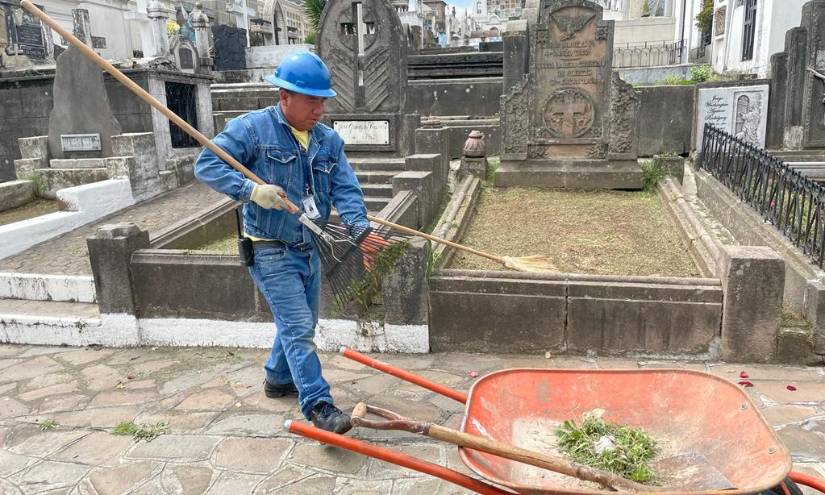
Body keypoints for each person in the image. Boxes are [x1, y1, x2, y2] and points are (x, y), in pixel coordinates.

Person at [194, 51, 369, 434]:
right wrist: (251, 190)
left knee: (300, 323)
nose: (319, 108)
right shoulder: (253, 130)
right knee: (299, 327)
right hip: (269, 247)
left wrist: (357, 224)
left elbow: (345, 187)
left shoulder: (327, 141)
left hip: (310, 248)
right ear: (284, 96)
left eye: (323, 100)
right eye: (311, 100)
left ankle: (277, 378)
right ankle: (319, 405)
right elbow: (206, 164)